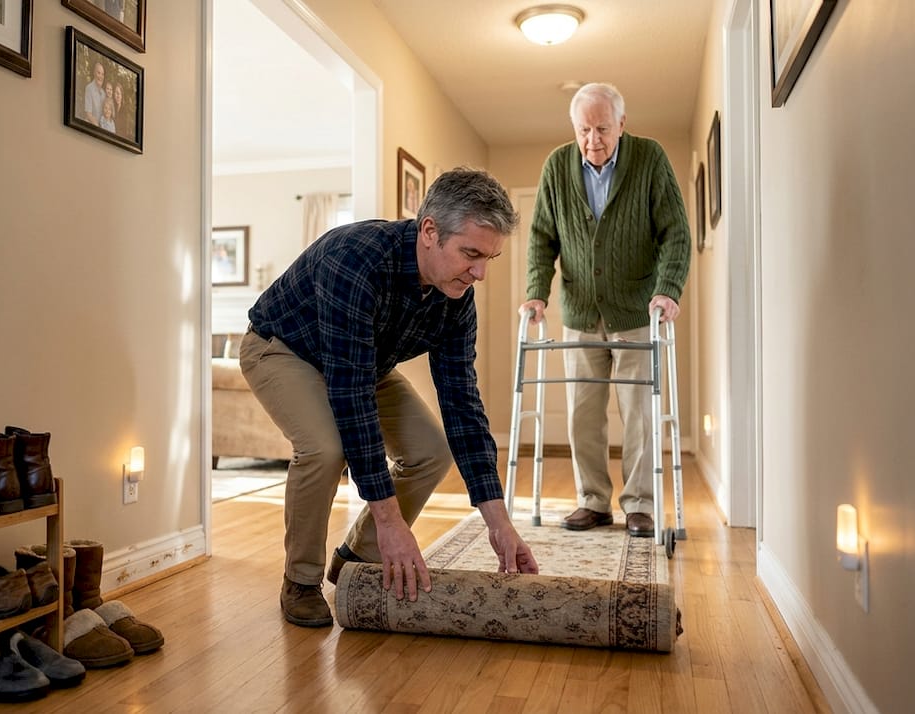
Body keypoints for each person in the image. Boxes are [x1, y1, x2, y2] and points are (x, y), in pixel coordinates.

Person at [242, 167, 540, 628]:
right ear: (429, 231)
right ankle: (300, 580)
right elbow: (350, 396)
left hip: (363, 364)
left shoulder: (456, 296)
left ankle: (355, 558)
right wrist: (390, 521)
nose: (480, 273)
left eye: (489, 258)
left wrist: (499, 522)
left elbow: (462, 402)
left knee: (432, 450)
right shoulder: (355, 259)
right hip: (284, 349)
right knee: (325, 449)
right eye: (471, 254)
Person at [518, 82, 690, 538]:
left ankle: (640, 504)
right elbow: (541, 238)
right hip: (580, 312)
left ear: (621, 124)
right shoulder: (557, 166)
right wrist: (537, 292)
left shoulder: (649, 158)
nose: (592, 140)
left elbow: (675, 232)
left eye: (602, 129)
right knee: (583, 413)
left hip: (636, 311)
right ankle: (593, 501)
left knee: (639, 413)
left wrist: (668, 290)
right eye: (583, 130)